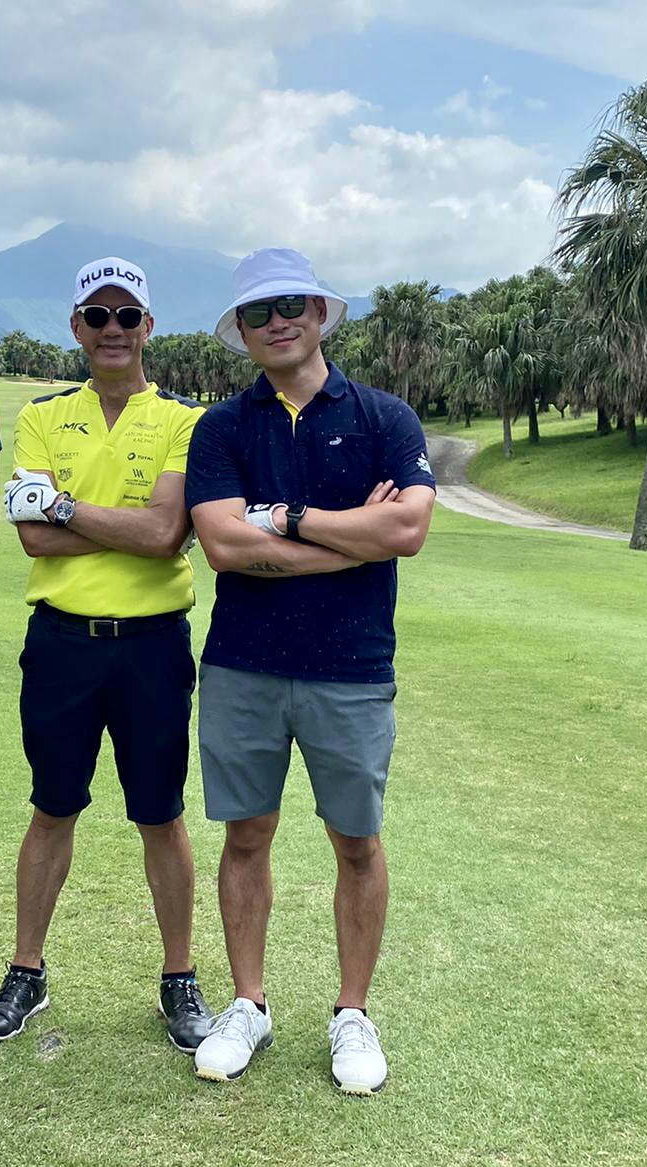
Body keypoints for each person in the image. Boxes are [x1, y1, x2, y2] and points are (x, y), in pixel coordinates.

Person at [183, 247, 436, 1094]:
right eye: (258, 312)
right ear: (243, 331)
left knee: (356, 843)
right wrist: (349, 538)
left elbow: (406, 531)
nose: (278, 322)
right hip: (243, 665)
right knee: (245, 834)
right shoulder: (223, 428)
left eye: (292, 304)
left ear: (320, 312)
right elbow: (224, 545)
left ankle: (352, 1012)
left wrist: (288, 520)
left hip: (351, 667)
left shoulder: (385, 419)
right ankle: (248, 1004)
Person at [0, 256, 213, 1053]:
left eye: (127, 316)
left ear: (149, 326)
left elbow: (165, 534)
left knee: (161, 814)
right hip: (62, 643)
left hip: (152, 646)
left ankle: (179, 979)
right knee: (52, 807)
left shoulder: (181, 420)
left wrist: (67, 506)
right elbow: (31, 536)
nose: (114, 329)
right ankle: (27, 972)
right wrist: (120, 525)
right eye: (98, 316)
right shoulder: (44, 416)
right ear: (77, 326)